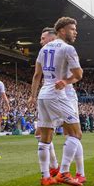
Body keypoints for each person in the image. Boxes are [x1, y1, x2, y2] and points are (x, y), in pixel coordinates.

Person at [28, 16, 83, 186]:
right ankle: (64, 172)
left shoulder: (44, 49)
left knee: (45, 137)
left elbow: (37, 75)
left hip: (43, 95)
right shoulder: (68, 49)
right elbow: (79, 74)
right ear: (62, 30)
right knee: (75, 134)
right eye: (72, 29)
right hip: (57, 95)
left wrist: (32, 95)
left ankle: (45, 176)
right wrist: (66, 81)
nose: (75, 32)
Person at [33, 28, 59, 177]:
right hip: (50, 94)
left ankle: (62, 170)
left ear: (51, 38)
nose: (40, 41)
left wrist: (33, 95)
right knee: (40, 133)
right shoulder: (45, 52)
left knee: (74, 133)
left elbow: (37, 75)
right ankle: (54, 167)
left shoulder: (60, 50)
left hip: (58, 96)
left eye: (43, 38)